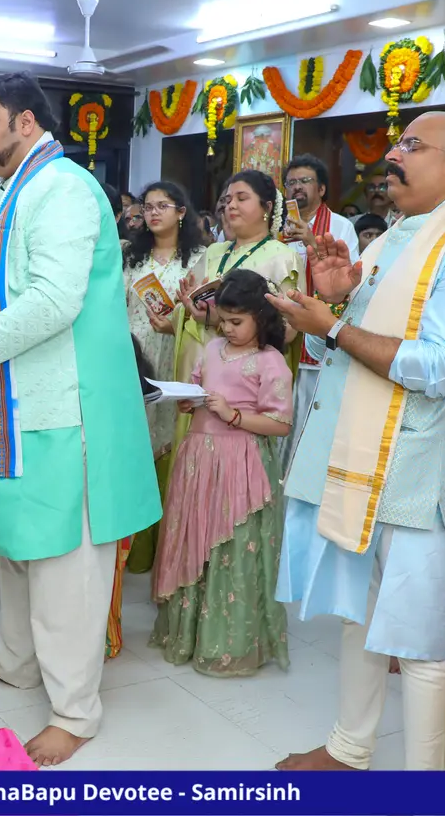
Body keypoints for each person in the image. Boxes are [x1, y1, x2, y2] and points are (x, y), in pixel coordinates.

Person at [0, 72, 160, 766]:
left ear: (24, 122)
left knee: (65, 566)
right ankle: (16, 661)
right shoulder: (5, 196)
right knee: (21, 549)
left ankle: (76, 712)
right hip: (10, 401)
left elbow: (55, 301)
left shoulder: (65, 189)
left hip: (62, 404)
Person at [269, 111, 445, 771]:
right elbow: (361, 334)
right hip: (361, 458)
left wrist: (334, 326)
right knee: (362, 611)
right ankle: (349, 748)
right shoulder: (402, 236)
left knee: (418, 641)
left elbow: (436, 367)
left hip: (414, 469)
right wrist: (338, 302)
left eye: (413, 144)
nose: (395, 155)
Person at [152, 269, 293, 675]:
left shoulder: (270, 361)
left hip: (240, 462)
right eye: (224, 320)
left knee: (230, 546)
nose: (228, 329)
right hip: (199, 457)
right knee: (194, 538)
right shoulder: (212, 349)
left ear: (262, 318)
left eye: (238, 322)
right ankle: (190, 635)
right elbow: (198, 389)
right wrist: (186, 401)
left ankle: (230, 644)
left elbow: (280, 424)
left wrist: (233, 416)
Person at [174, 170, 299, 453]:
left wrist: (223, 318)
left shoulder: (282, 257)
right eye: (227, 199)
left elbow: (289, 329)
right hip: (201, 359)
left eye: (242, 198)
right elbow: (189, 309)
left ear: (267, 207)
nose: (230, 205)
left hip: (244, 378)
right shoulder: (214, 251)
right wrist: (189, 308)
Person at [122, 181, 206, 576]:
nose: (153, 213)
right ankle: (133, 550)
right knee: (134, 440)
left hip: (176, 353)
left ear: (181, 212)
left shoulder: (199, 260)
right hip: (133, 355)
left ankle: (165, 554)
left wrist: (176, 322)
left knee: (171, 440)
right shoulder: (130, 257)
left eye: (163, 206)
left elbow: (208, 313)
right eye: (148, 207)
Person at [280, 154, 358, 458]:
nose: (297, 188)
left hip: (317, 338)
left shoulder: (339, 226)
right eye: (291, 183)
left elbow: (350, 282)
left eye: (304, 181)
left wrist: (313, 241)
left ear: (322, 189)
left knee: (310, 426)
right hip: (282, 336)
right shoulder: (278, 227)